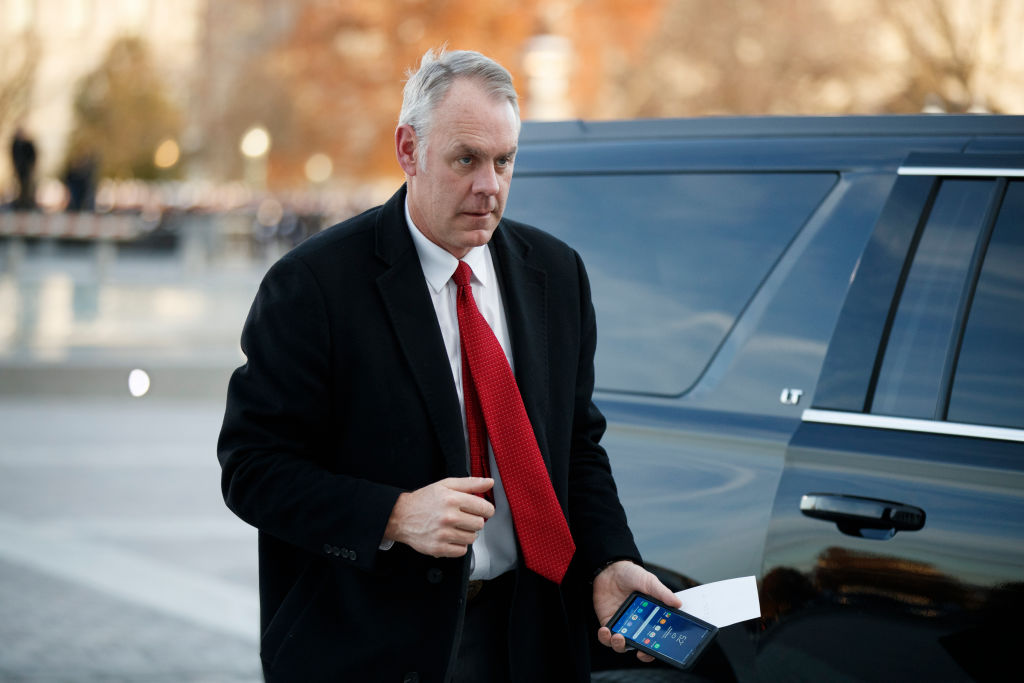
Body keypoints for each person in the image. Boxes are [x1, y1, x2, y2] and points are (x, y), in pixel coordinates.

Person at [217, 48, 681, 683]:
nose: (489, 186)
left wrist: (607, 560)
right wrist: (394, 514)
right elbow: (252, 468)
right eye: (466, 159)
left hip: (528, 638)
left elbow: (575, 446)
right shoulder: (313, 286)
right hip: (371, 647)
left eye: (504, 161)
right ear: (409, 150)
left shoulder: (557, 275)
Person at [10, 127, 37, 210]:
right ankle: (20, 203)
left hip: (26, 169)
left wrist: (30, 167)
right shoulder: (16, 145)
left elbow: (33, 157)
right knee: (19, 186)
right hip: (19, 169)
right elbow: (13, 156)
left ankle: (27, 202)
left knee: (27, 186)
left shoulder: (28, 145)